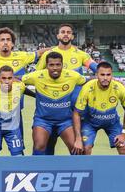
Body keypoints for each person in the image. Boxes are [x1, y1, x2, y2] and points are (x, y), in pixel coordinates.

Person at [35, 23, 98, 155]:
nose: (65, 34)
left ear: (72, 36)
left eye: (68, 32)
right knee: (46, 147)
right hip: (51, 108)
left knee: (77, 148)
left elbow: (96, 68)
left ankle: (80, 173)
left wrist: (108, 76)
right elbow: (38, 76)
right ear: (58, 35)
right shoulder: (49, 55)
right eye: (62, 32)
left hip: (73, 111)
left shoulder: (80, 54)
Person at [22, 52, 86, 155]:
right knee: (39, 146)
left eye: (58, 64)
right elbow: (17, 80)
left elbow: (87, 82)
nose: (55, 68)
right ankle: (38, 170)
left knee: (77, 149)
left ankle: (78, 170)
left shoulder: (73, 76)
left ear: (62, 65)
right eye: (51, 65)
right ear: (46, 65)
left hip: (65, 121)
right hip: (43, 120)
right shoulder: (37, 76)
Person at [72, 62, 125, 155]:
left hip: (112, 123)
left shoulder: (119, 88)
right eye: (102, 74)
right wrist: (78, 138)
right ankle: (88, 169)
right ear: (96, 75)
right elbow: (76, 113)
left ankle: (124, 169)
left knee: (124, 148)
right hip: (90, 123)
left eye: (108, 75)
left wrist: (124, 133)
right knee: (85, 148)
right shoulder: (87, 88)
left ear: (112, 75)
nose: (105, 78)